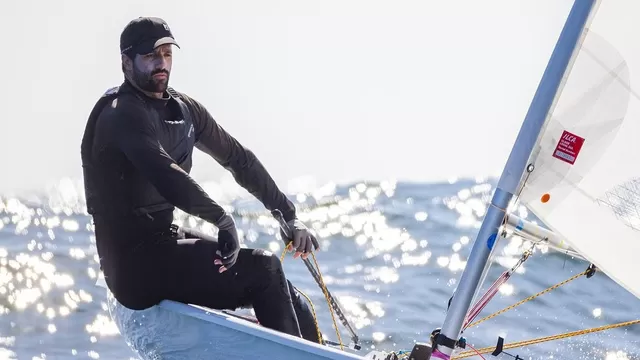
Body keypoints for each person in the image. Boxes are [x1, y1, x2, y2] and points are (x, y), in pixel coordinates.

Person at [80, 16, 322, 343]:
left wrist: (288, 216)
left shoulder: (184, 111)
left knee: (283, 289)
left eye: (167, 54)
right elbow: (164, 172)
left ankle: (318, 353)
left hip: (163, 241)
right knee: (263, 270)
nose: (161, 63)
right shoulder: (120, 113)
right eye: (151, 56)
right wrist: (221, 219)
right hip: (132, 267)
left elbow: (238, 159)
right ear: (126, 61)